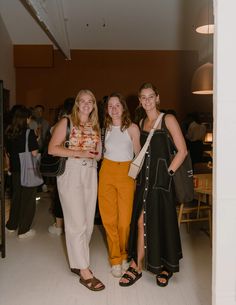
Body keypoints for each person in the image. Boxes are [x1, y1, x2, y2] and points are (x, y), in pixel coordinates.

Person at [119, 82, 187, 287]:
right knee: (140, 221)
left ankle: (165, 266)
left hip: (162, 180)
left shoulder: (168, 119)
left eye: (151, 96)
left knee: (163, 221)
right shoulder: (140, 124)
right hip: (144, 181)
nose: (147, 101)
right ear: (139, 101)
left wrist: (168, 174)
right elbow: (140, 152)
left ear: (157, 98)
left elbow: (182, 151)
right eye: (143, 97)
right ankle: (137, 265)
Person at [48, 89, 105, 291]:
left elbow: (98, 155)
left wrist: (96, 152)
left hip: (90, 172)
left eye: (91, 101)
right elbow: (52, 148)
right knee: (76, 223)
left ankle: (76, 261)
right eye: (83, 101)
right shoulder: (66, 122)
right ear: (77, 104)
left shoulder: (95, 125)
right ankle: (85, 271)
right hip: (71, 172)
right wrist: (79, 151)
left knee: (88, 223)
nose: (87, 104)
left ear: (94, 105)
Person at [98, 93, 140, 277]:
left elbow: (138, 155)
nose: (114, 109)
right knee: (108, 219)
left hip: (126, 173)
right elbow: (99, 153)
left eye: (117, 105)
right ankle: (115, 259)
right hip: (106, 171)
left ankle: (124, 255)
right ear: (106, 109)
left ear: (123, 107)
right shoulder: (104, 127)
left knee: (124, 222)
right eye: (110, 106)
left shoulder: (132, 128)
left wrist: (136, 177)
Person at [5, 106, 39, 238]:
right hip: (28, 170)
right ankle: (24, 230)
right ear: (25, 118)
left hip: (15, 170)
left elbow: (7, 153)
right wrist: (36, 139)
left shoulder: (9, 132)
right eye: (29, 117)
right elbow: (34, 153)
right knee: (28, 200)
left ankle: (11, 226)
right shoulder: (29, 133)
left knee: (16, 198)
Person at [48, 97, 75, 236]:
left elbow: (52, 137)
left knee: (59, 196)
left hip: (61, 165)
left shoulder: (61, 123)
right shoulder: (78, 123)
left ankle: (59, 226)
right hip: (75, 165)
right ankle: (69, 226)